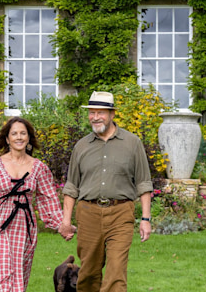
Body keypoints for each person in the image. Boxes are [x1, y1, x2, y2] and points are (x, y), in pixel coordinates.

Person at [0, 116, 74, 292]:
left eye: (23, 133)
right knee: (2, 268)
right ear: (7, 139)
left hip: (24, 226)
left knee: (18, 274)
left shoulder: (38, 167)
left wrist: (62, 225)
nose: (19, 137)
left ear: (29, 138)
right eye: (14, 134)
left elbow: (48, 199)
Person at [59, 91, 153, 292]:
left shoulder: (132, 143)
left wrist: (145, 219)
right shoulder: (81, 146)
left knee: (116, 272)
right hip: (88, 214)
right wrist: (66, 222)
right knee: (88, 274)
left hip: (121, 213)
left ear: (112, 114)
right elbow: (71, 186)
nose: (95, 117)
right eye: (92, 112)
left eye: (100, 112)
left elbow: (144, 183)